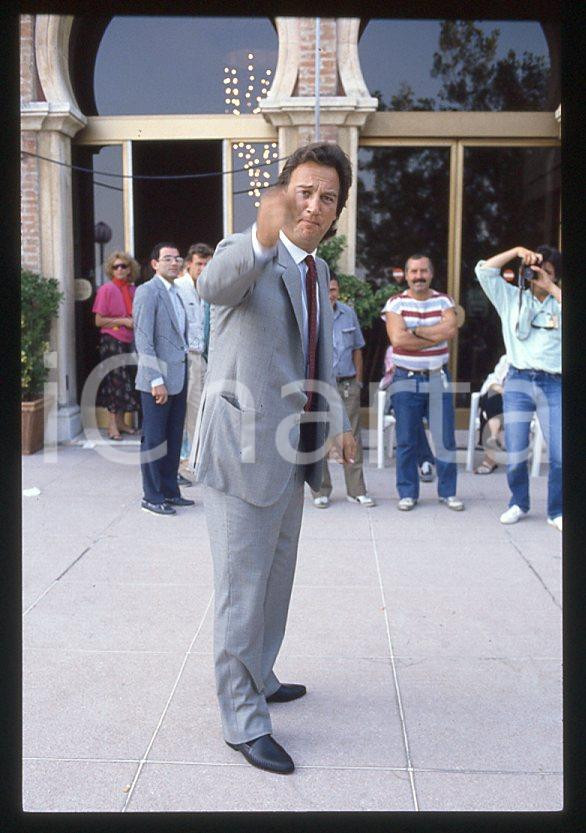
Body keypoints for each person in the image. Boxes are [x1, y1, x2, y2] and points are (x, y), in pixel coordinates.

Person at [190, 142, 355, 775]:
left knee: (276, 579)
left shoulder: (316, 269)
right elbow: (212, 285)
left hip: (293, 452)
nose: (314, 205)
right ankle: (242, 718)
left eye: (327, 198)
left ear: (337, 212)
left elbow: (318, 358)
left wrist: (339, 423)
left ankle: (260, 673)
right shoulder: (248, 251)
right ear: (282, 193)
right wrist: (260, 238)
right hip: (241, 449)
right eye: (305, 191)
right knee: (242, 588)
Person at [475, 245, 562, 530]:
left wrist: (551, 287)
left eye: (547, 272)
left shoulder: (559, 301)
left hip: (554, 383)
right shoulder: (512, 297)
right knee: (515, 450)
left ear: (556, 276)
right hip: (518, 380)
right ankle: (518, 503)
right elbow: (484, 271)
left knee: (561, 453)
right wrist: (516, 252)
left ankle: (557, 510)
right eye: (536, 270)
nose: (539, 276)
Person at [383, 254, 464, 511]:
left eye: (423, 271)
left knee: (445, 439)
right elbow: (398, 340)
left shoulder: (444, 301)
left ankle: (448, 493)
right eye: (414, 272)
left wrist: (415, 331)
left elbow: (450, 331)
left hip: (438, 377)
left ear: (431, 273)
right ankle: (408, 493)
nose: (419, 276)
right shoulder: (395, 303)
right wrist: (434, 335)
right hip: (405, 379)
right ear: (406, 275)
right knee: (406, 440)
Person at [133, 243, 195, 517]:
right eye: (167, 258)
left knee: (173, 438)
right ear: (154, 264)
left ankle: (170, 491)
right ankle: (152, 496)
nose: (174, 262)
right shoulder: (148, 292)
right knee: (155, 439)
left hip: (178, 377)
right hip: (156, 381)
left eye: (177, 258)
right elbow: (144, 339)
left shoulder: (177, 292)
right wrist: (155, 379)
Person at [312, 272, 375, 508]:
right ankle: (321, 490)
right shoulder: (310, 314)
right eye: (326, 289)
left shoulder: (348, 313)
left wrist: (358, 382)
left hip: (347, 384)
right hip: (319, 386)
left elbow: (358, 349)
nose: (330, 294)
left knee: (352, 437)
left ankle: (356, 490)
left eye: (333, 290)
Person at [175, 242, 213, 485]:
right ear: (189, 264)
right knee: (182, 412)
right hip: (183, 356)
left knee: (199, 412)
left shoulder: (209, 289)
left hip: (201, 357)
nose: (203, 268)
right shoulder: (179, 288)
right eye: (199, 263)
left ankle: (194, 461)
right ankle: (179, 462)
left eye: (207, 264)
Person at [92, 251, 141, 440]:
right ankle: (112, 424)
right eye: (115, 266)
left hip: (129, 340)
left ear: (130, 269)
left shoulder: (133, 290)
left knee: (127, 381)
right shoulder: (106, 289)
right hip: (112, 341)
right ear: (110, 270)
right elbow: (99, 321)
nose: (119, 269)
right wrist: (123, 321)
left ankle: (121, 422)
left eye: (123, 266)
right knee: (115, 381)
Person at [379, 344, 436, 482]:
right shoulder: (393, 350)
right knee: (410, 414)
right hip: (397, 394)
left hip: (422, 394)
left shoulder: (428, 349)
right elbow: (392, 374)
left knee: (412, 417)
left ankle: (424, 461)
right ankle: (425, 460)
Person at [474, 354, 509, 475]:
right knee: (492, 397)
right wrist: (501, 390)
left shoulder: (534, 363)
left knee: (491, 408)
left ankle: (490, 457)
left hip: (518, 404)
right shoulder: (507, 358)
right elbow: (493, 379)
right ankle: (493, 439)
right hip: (498, 398)